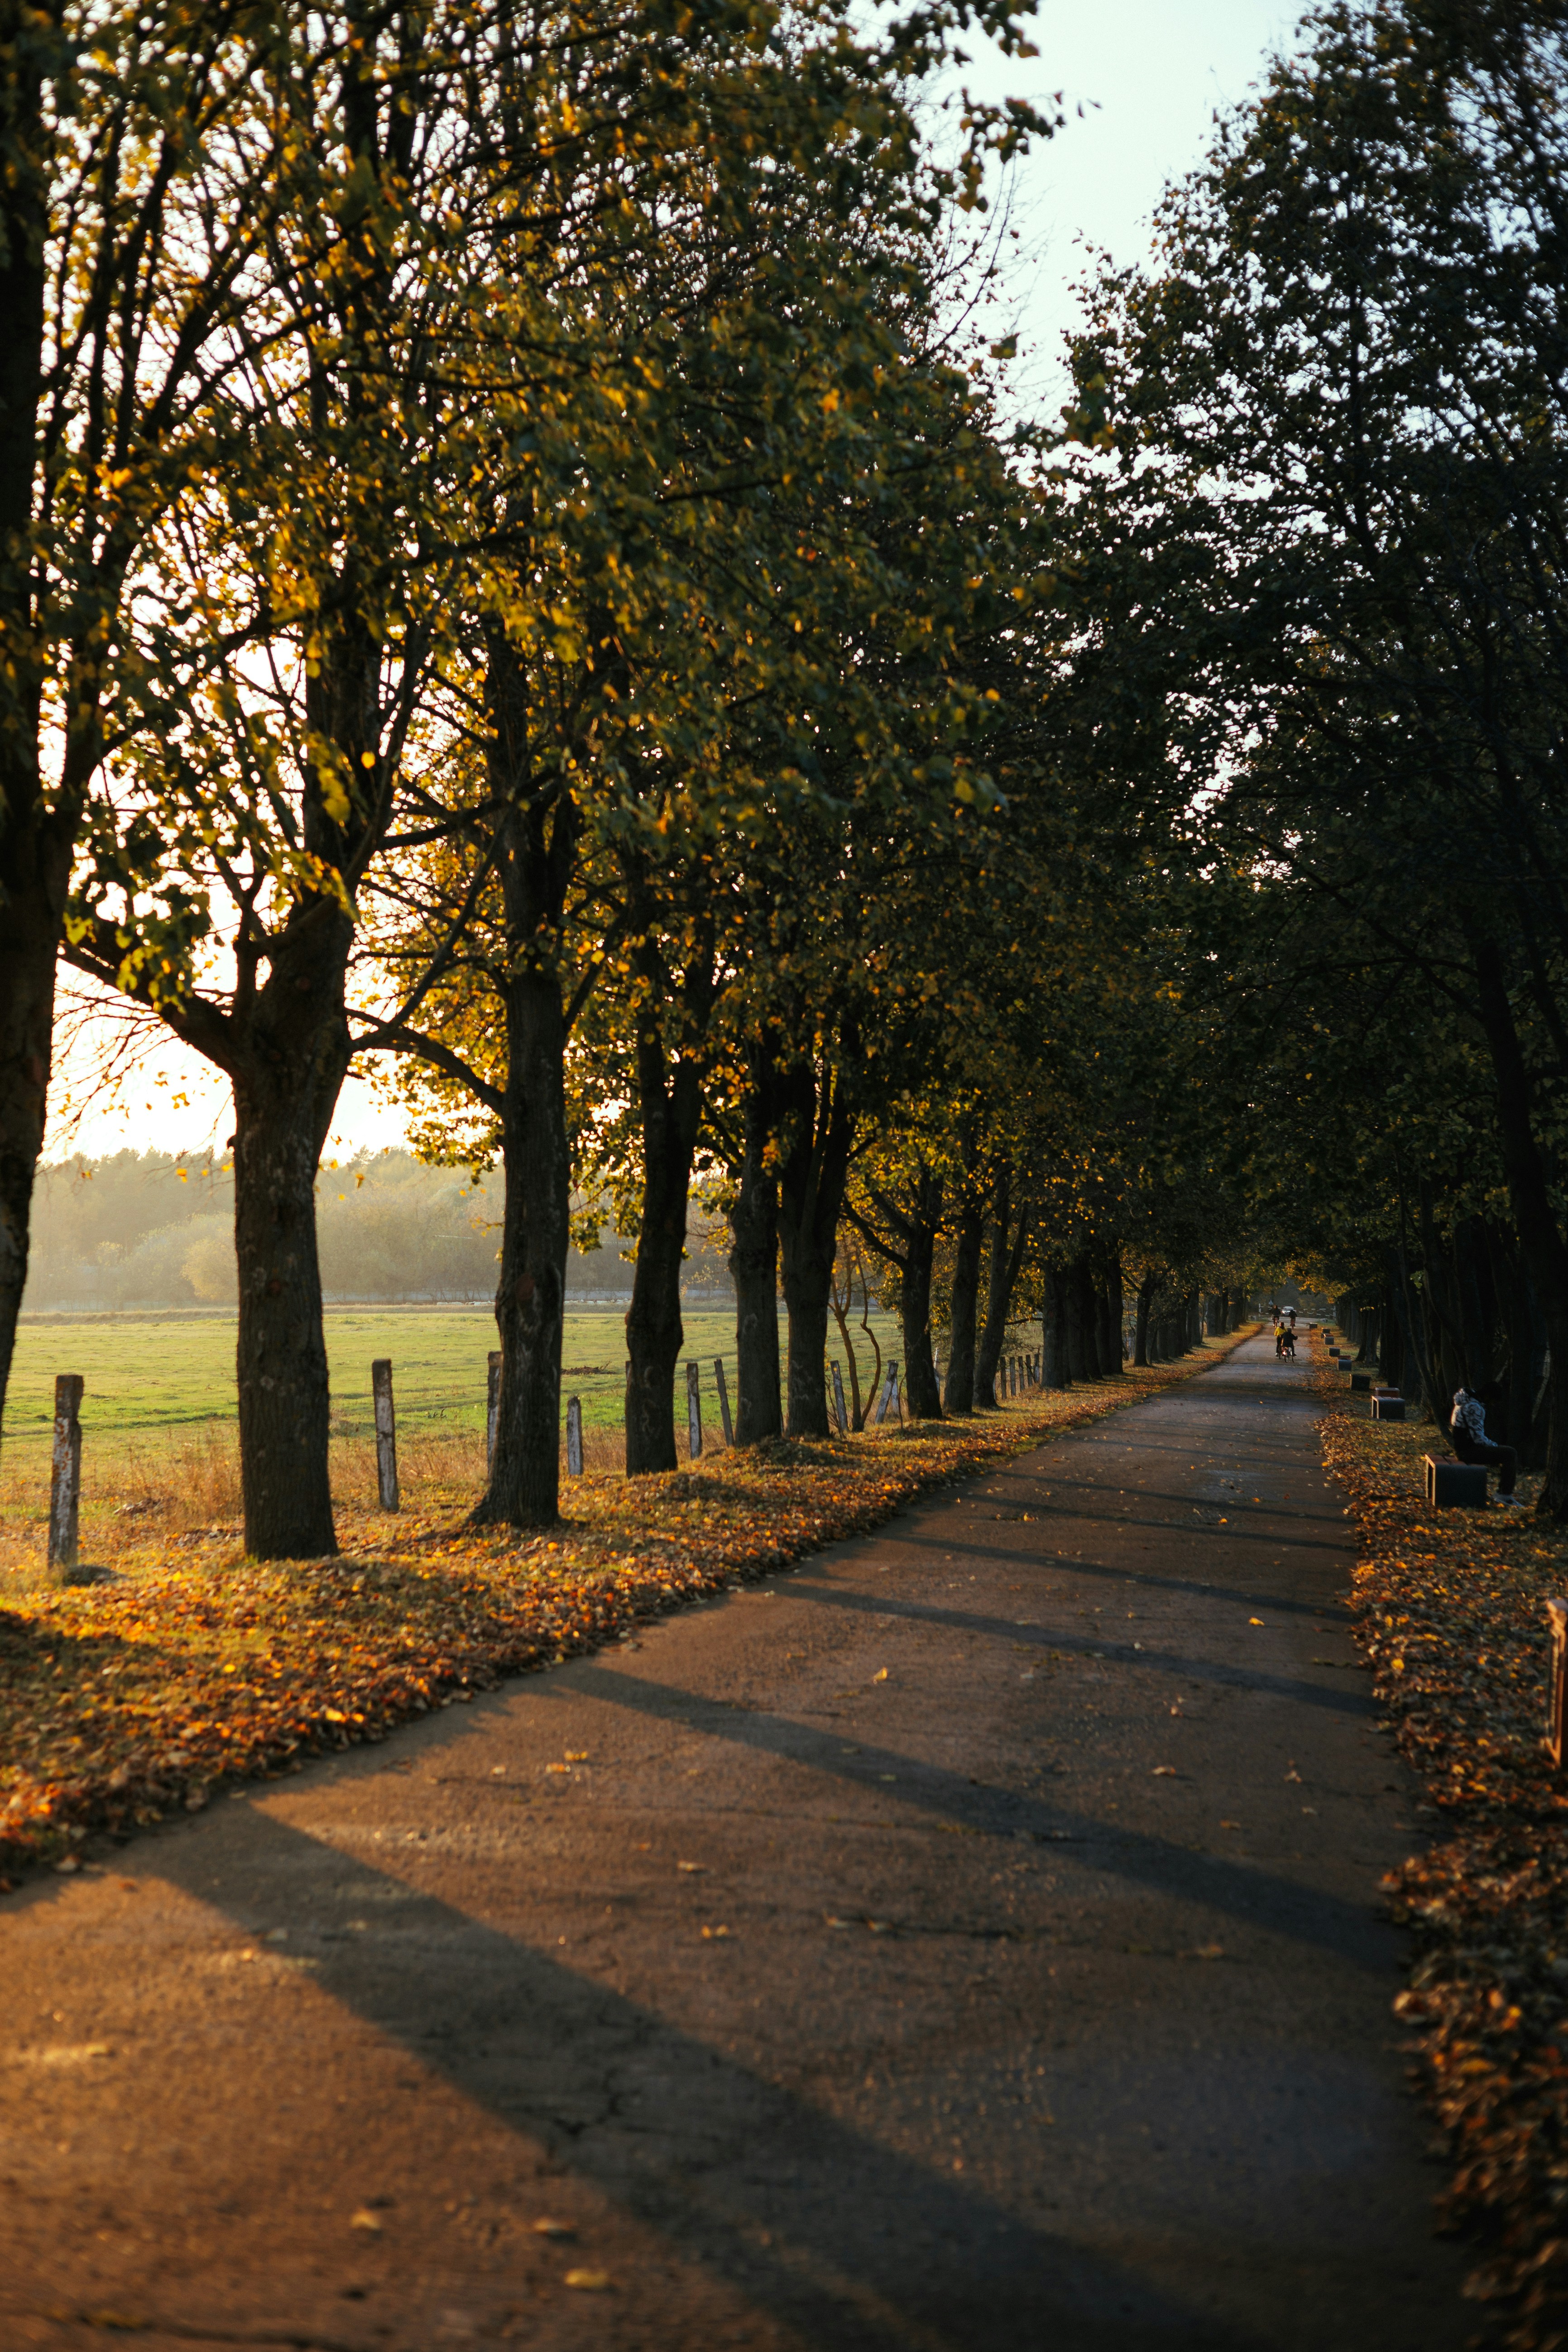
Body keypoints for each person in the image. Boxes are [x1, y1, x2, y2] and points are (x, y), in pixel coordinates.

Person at [1450, 1379, 1523, 1508]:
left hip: (1462, 1448)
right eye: (1494, 1401)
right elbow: (1479, 1439)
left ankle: (1504, 1493)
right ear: (1488, 1396)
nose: (1493, 1405)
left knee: (1506, 1452)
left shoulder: (1464, 1401)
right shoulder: (1475, 1407)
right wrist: (1495, 1446)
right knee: (1510, 1453)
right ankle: (1504, 1494)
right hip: (1467, 1452)